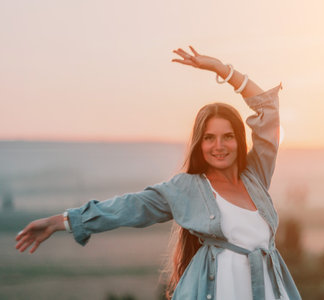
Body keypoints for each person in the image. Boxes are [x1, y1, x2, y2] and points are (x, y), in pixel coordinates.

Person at [15, 46, 302, 300]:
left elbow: (267, 112)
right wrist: (60, 221)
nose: (219, 146)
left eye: (227, 136)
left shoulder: (256, 176)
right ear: (199, 144)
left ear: (240, 139)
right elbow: (126, 208)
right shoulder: (186, 188)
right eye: (209, 138)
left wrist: (222, 69)